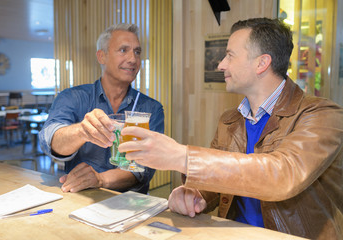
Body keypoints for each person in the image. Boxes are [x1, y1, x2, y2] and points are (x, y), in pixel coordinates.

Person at [118, 18, 343, 240]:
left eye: (230, 56)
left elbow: (283, 174)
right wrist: (196, 194)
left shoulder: (322, 115)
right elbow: (218, 184)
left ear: (261, 63)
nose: (221, 65)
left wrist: (183, 157)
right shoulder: (230, 120)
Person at [39, 23, 164, 194]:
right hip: (81, 198)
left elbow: (143, 168)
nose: (133, 59)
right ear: (101, 56)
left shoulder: (152, 108)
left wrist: (101, 180)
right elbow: (50, 140)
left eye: (137, 52)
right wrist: (81, 131)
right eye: (123, 50)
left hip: (132, 203)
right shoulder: (72, 97)